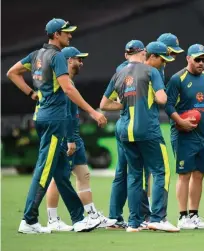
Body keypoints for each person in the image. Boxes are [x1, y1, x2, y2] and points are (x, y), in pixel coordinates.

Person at [7, 18, 107, 234]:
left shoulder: (36, 55)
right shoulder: (57, 56)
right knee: (44, 170)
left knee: (61, 173)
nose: (69, 36)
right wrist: (92, 111)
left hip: (43, 116)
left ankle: (79, 219)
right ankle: (29, 220)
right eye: (66, 33)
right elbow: (68, 89)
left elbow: (12, 73)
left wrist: (32, 93)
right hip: (54, 120)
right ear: (55, 35)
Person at [100, 41, 179, 232]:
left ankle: (134, 223)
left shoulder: (118, 73)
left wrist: (125, 104)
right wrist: (152, 92)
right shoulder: (150, 72)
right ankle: (158, 218)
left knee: (134, 175)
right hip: (147, 129)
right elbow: (162, 99)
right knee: (162, 171)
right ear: (144, 53)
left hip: (125, 131)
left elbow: (104, 104)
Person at [45, 47, 117, 231]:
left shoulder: (69, 83)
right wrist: (70, 139)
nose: (81, 63)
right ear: (68, 60)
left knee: (83, 175)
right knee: (59, 178)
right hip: (66, 137)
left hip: (74, 136)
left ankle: (92, 214)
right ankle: (53, 219)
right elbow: (65, 116)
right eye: (79, 59)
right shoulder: (64, 84)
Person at [165, 44, 204, 230]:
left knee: (199, 175)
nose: (201, 63)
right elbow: (168, 105)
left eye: (203, 59)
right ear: (188, 58)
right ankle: (182, 216)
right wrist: (180, 121)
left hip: (203, 135)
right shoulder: (177, 79)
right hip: (183, 135)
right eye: (197, 59)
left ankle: (194, 215)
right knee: (184, 174)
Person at [107, 40, 148, 229]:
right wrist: (128, 105)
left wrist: (124, 104)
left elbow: (106, 102)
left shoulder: (121, 69)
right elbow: (108, 102)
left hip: (122, 125)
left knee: (123, 172)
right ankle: (138, 217)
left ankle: (115, 217)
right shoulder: (143, 70)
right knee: (135, 172)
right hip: (133, 125)